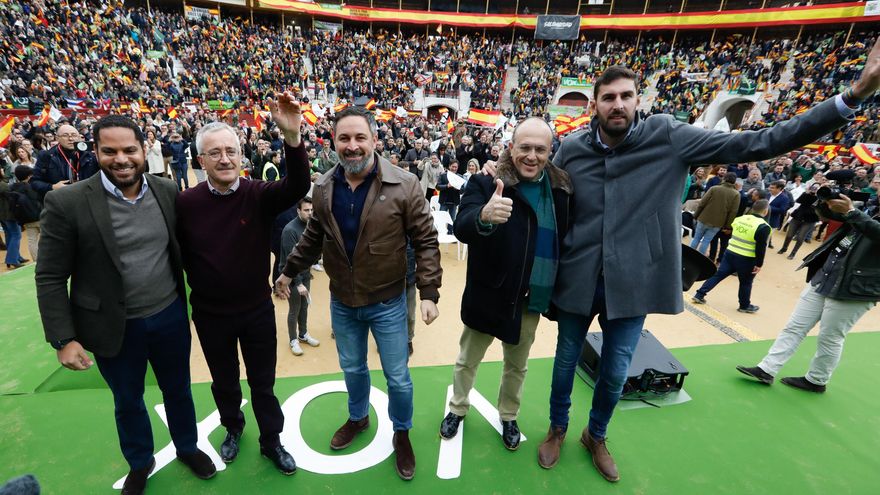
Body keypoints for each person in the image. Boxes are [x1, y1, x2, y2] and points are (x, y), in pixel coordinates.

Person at [531, 52, 880, 483]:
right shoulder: (573, 148)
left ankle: (596, 435)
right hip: (579, 278)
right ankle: (557, 428)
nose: (617, 104)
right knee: (565, 363)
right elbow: (544, 194)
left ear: (638, 100)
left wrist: (852, 96)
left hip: (635, 281)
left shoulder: (669, 136)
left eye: (626, 96)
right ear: (595, 105)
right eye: (608, 98)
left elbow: (761, 142)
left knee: (617, 370)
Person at [34, 115, 215, 495]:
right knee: (127, 399)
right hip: (112, 326)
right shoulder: (66, 201)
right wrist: (63, 338)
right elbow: (50, 276)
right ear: (94, 151)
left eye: (129, 150)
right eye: (110, 151)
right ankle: (140, 460)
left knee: (179, 390)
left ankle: (187, 447)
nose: (121, 159)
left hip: (168, 315)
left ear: (143, 150)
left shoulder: (167, 191)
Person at [275, 106, 442, 481]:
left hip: (387, 302)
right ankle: (358, 418)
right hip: (343, 302)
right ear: (334, 142)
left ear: (374, 141)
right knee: (352, 368)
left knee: (397, 376)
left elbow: (427, 241)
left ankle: (401, 432)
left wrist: (429, 291)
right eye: (344, 139)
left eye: (359, 138)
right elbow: (313, 237)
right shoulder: (323, 187)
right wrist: (287, 272)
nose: (352, 146)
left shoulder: (405, 184)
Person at [175, 93, 309, 476]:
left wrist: (292, 137)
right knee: (224, 382)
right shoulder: (185, 202)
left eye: (231, 150)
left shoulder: (258, 195)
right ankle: (233, 428)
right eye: (214, 152)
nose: (225, 158)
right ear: (201, 161)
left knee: (263, 384)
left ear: (241, 155)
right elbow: (180, 252)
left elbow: (298, 184)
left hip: (255, 311)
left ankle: (271, 440)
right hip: (210, 314)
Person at [439, 118, 571, 451]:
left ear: (550, 151)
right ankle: (457, 407)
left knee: (517, 365)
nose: (531, 156)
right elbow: (464, 226)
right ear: (510, 148)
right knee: (468, 359)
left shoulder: (561, 188)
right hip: (489, 291)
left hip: (531, 297)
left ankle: (509, 416)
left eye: (540, 149)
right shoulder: (487, 181)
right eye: (524, 147)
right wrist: (484, 216)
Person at [736, 194, 880, 393]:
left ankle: (817, 380)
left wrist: (851, 212)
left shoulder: (862, 211)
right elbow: (833, 218)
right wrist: (824, 201)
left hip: (854, 288)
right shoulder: (871, 206)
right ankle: (766, 369)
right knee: (794, 326)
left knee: (830, 337)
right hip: (827, 274)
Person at [691, 200, 771, 313]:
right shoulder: (763, 227)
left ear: (753, 208)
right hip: (747, 258)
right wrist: (759, 264)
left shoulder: (740, 219)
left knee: (718, 275)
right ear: (765, 211)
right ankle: (744, 305)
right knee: (746, 282)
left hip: (730, 253)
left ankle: (699, 294)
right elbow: (761, 247)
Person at [278, 197, 320, 355]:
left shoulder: (310, 226)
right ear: (298, 211)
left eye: (311, 210)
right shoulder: (290, 230)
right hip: (292, 278)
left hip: (305, 275)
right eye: (306, 210)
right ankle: (293, 340)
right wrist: (299, 283)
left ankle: (303, 334)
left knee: (304, 306)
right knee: (294, 309)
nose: (310, 213)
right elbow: (290, 261)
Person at [31, 123, 98, 198]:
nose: (71, 139)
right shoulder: (46, 156)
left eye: (74, 135)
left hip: (86, 198)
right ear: (57, 138)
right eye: (65, 135)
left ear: (79, 137)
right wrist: (52, 187)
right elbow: (34, 182)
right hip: (60, 200)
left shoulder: (90, 155)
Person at [690, 172, 741, 254]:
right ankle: (698, 260)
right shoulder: (736, 194)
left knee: (696, 238)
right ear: (734, 182)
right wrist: (728, 226)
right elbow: (733, 212)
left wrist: (695, 215)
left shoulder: (714, 188)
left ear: (724, 179)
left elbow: (702, 203)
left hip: (703, 218)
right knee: (706, 241)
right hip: (718, 222)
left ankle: (689, 255)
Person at [11, 166, 41, 261]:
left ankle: (36, 261)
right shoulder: (32, 187)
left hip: (26, 219)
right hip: (39, 217)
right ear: (29, 176)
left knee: (32, 240)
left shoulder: (13, 189)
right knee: (46, 239)